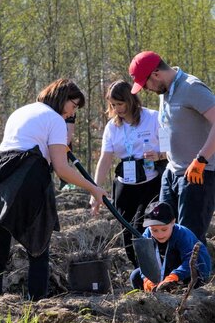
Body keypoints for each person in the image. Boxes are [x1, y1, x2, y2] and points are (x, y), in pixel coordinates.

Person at [0, 79, 108, 300]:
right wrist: (93, 188)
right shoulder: (54, 119)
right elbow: (62, 169)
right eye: (73, 106)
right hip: (28, 178)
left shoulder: (22, 111)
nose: (72, 112)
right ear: (62, 98)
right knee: (38, 250)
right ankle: (36, 306)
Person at [129, 51, 215, 245]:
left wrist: (201, 159)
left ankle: (195, 276)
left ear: (156, 74)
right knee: (162, 231)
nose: (146, 89)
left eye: (145, 84)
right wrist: (162, 155)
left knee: (189, 237)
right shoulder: (165, 92)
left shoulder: (192, 87)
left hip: (198, 173)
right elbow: (167, 127)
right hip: (172, 173)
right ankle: (171, 275)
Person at [91, 80, 165, 268]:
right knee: (126, 231)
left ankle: (155, 269)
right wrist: (95, 190)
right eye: (113, 105)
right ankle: (139, 271)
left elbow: (171, 148)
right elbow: (105, 159)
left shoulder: (153, 118)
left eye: (120, 104)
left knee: (140, 227)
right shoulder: (112, 127)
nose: (117, 109)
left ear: (131, 100)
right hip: (125, 184)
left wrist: (159, 155)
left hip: (150, 182)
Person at [130, 201, 211, 292]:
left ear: (173, 222)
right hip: (168, 268)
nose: (160, 234)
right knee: (135, 276)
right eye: (154, 230)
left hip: (193, 270)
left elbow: (190, 262)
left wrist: (174, 276)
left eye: (164, 229)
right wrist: (146, 279)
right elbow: (144, 262)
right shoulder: (146, 235)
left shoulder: (183, 234)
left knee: (176, 262)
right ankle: (147, 301)